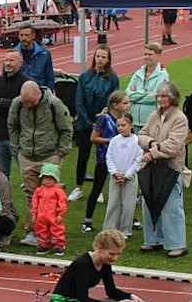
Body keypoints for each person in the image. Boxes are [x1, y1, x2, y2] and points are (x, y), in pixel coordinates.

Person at [9, 80, 73, 245]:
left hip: (50, 155)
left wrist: (61, 152)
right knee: (32, 195)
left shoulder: (54, 104)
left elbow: (66, 128)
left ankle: (54, 232)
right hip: (27, 155)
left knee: (51, 195)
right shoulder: (17, 104)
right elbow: (13, 126)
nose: (28, 105)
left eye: (31, 102)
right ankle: (33, 232)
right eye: (26, 102)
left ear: (39, 94)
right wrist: (17, 147)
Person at [137, 81, 189, 257]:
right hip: (152, 168)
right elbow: (141, 136)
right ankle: (153, 240)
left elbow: (172, 146)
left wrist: (151, 153)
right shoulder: (153, 115)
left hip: (170, 167)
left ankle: (177, 243)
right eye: (158, 95)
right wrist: (152, 143)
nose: (160, 99)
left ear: (173, 97)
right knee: (149, 202)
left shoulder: (180, 118)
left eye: (163, 96)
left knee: (171, 206)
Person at [71, 46, 119, 202]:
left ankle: (98, 190)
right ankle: (79, 187)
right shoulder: (84, 77)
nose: (100, 59)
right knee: (82, 156)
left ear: (108, 60)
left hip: (104, 123)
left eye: (103, 57)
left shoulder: (113, 78)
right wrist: (88, 122)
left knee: (101, 159)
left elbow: (113, 100)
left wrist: (103, 117)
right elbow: (79, 101)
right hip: (85, 124)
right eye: (97, 56)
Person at [81, 92, 129, 233]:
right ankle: (87, 219)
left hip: (121, 160)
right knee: (97, 188)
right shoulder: (104, 119)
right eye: (125, 103)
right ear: (115, 105)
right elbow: (93, 138)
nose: (128, 106)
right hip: (104, 159)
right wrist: (112, 141)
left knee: (123, 190)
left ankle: (129, 219)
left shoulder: (125, 119)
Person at [103, 113, 142, 235]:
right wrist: (114, 172)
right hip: (115, 177)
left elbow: (138, 160)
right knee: (113, 203)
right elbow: (109, 157)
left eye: (123, 125)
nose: (120, 128)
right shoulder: (114, 140)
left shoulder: (137, 141)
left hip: (130, 177)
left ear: (130, 125)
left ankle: (125, 230)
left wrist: (127, 175)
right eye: (118, 125)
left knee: (128, 205)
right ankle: (109, 229)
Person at [126, 43, 169, 126]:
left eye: (150, 54)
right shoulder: (138, 73)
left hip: (151, 122)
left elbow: (155, 97)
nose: (147, 57)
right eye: (145, 54)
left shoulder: (162, 75)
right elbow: (127, 95)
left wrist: (135, 97)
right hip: (134, 120)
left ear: (158, 55)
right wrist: (145, 92)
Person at [32, 163, 69, 255]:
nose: (48, 180)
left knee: (56, 230)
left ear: (55, 179)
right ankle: (44, 246)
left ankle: (58, 246)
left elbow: (62, 203)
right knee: (41, 230)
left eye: (51, 178)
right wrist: (34, 213)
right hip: (41, 216)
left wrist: (61, 214)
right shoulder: (39, 190)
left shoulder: (58, 191)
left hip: (54, 216)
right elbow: (34, 202)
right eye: (45, 177)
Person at [15, 25, 54, 89]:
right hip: (19, 92)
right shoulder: (13, 54)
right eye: (21, 35)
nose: (24, 38)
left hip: (39, 92)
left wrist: (50, 92)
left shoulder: (44, 54)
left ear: (33, 36)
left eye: (27, 35)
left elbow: (49, 77)